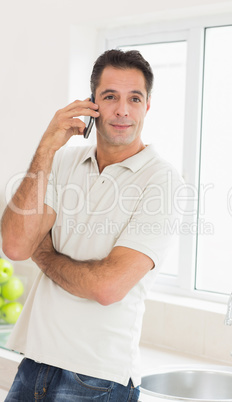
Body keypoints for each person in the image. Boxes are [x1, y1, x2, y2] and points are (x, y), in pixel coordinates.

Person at [1, 49, 183, 401]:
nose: (122, 110)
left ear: (147, 107)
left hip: (98, 379)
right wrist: (48, 145)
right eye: (110, 96)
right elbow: (14, 245)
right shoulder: (64, 160)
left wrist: (46, 255)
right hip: (35, 364)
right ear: (91, 104)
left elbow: (107, 288)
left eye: (135, 98)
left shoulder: (162, 181)